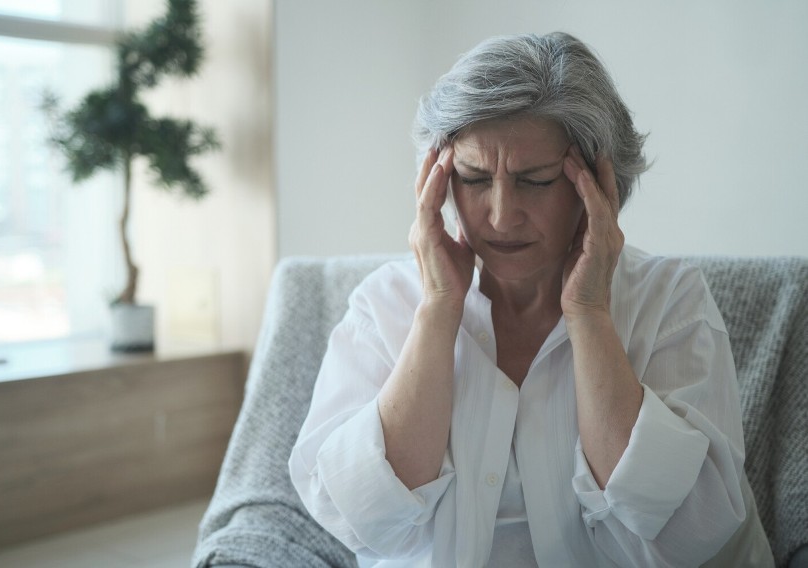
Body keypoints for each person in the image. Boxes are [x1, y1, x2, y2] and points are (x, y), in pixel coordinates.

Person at [288, 32, 774, 567]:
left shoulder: (671, 299)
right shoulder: (386, 304)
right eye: (473, 178)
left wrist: (588, 314)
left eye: (535, 181)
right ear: (438, 181)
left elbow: (689, 531)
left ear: (598, 183)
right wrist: (439, 311)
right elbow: (359, 515)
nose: (500, 216)